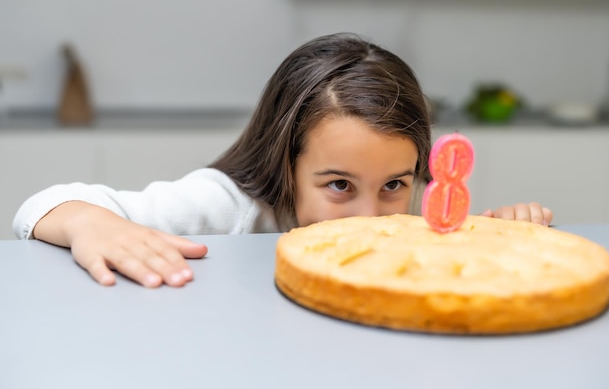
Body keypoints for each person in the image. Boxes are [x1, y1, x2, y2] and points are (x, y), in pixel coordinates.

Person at [13, 33, 553, 288]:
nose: (371, 215)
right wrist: (89, 222)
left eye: (394, 184)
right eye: (339, 185)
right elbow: (42, 206)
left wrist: (498, 233)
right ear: (286, 162)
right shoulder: (229, 207)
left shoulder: (401, 224)